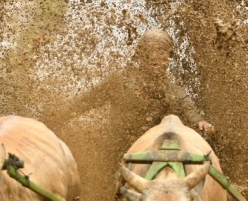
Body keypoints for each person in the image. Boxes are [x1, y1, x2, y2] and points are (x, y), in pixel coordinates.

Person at [46, 29, 215, 139]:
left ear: (169, 58)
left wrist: (201, 123)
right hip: (115, 150)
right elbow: (84, 103)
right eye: (148, 51)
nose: (154, 56)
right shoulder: (119, 81)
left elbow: (191, 113)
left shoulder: (173, 91)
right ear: (140, 55)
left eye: (161, 51)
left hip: (152, 156)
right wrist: (56, 119)